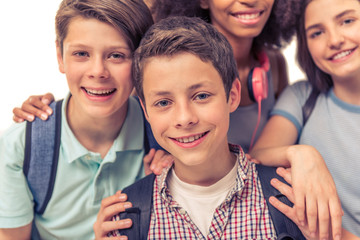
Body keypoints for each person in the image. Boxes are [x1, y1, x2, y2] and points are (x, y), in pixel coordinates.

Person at [12, 0, 343, 238]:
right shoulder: (135, 198)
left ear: (232, 94)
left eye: (201, 95)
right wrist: (45, 113)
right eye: (163, 102)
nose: (183, 117)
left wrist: (303, 154)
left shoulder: (275, 70)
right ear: (144, 104)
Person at [0, 0, 153, 239]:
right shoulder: (20, 146)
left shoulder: (164, 136)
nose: (97, 71)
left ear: (141, 62)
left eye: (116, 55)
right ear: (60, 56)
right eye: (81, 53)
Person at [251, 0, 360, 238]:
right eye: (317, 32)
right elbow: (256, 157)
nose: (334, 40)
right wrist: (301, 153)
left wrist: (334, 235)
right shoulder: (303, 96)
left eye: (348, 21)